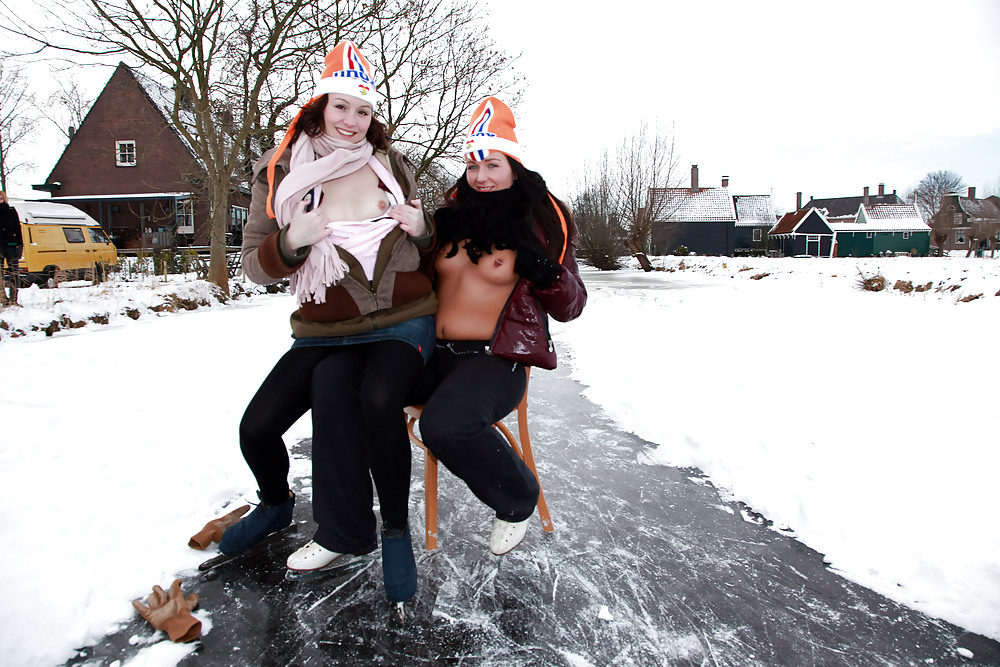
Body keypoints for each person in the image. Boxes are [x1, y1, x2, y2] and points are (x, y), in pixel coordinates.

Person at [219, 40, 435, 604]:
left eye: (363, 110)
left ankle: (391, 532)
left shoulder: (392, 166)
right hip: (325, 329)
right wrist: (292, 241)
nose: (352, 120)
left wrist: (421, 227)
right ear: (318, 106)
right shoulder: (282, 171)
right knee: (258, 426)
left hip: (402, 318)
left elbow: (427, 243)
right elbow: (253, 265)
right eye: (341, 106)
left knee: (374, 402)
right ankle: (275, 504)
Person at [409, 97, 587, 555]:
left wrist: (545, 271)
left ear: (514, 167)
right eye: (472, 167)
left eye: (492, 164)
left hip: (496, 359)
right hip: (433, 354)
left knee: (445, 426)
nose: (481, 176)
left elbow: (571, 306)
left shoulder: (543, 223)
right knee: (356, 390)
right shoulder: (447, 222)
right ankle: (361, 526)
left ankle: (516, 499)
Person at [0, 191, 24, 304]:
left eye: (1, 198)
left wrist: (20, 246)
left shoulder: (11, 211)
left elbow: (17, 229)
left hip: (11, 247)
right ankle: (3, 299)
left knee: (14, 273)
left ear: (4, 199)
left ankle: (14, 299)